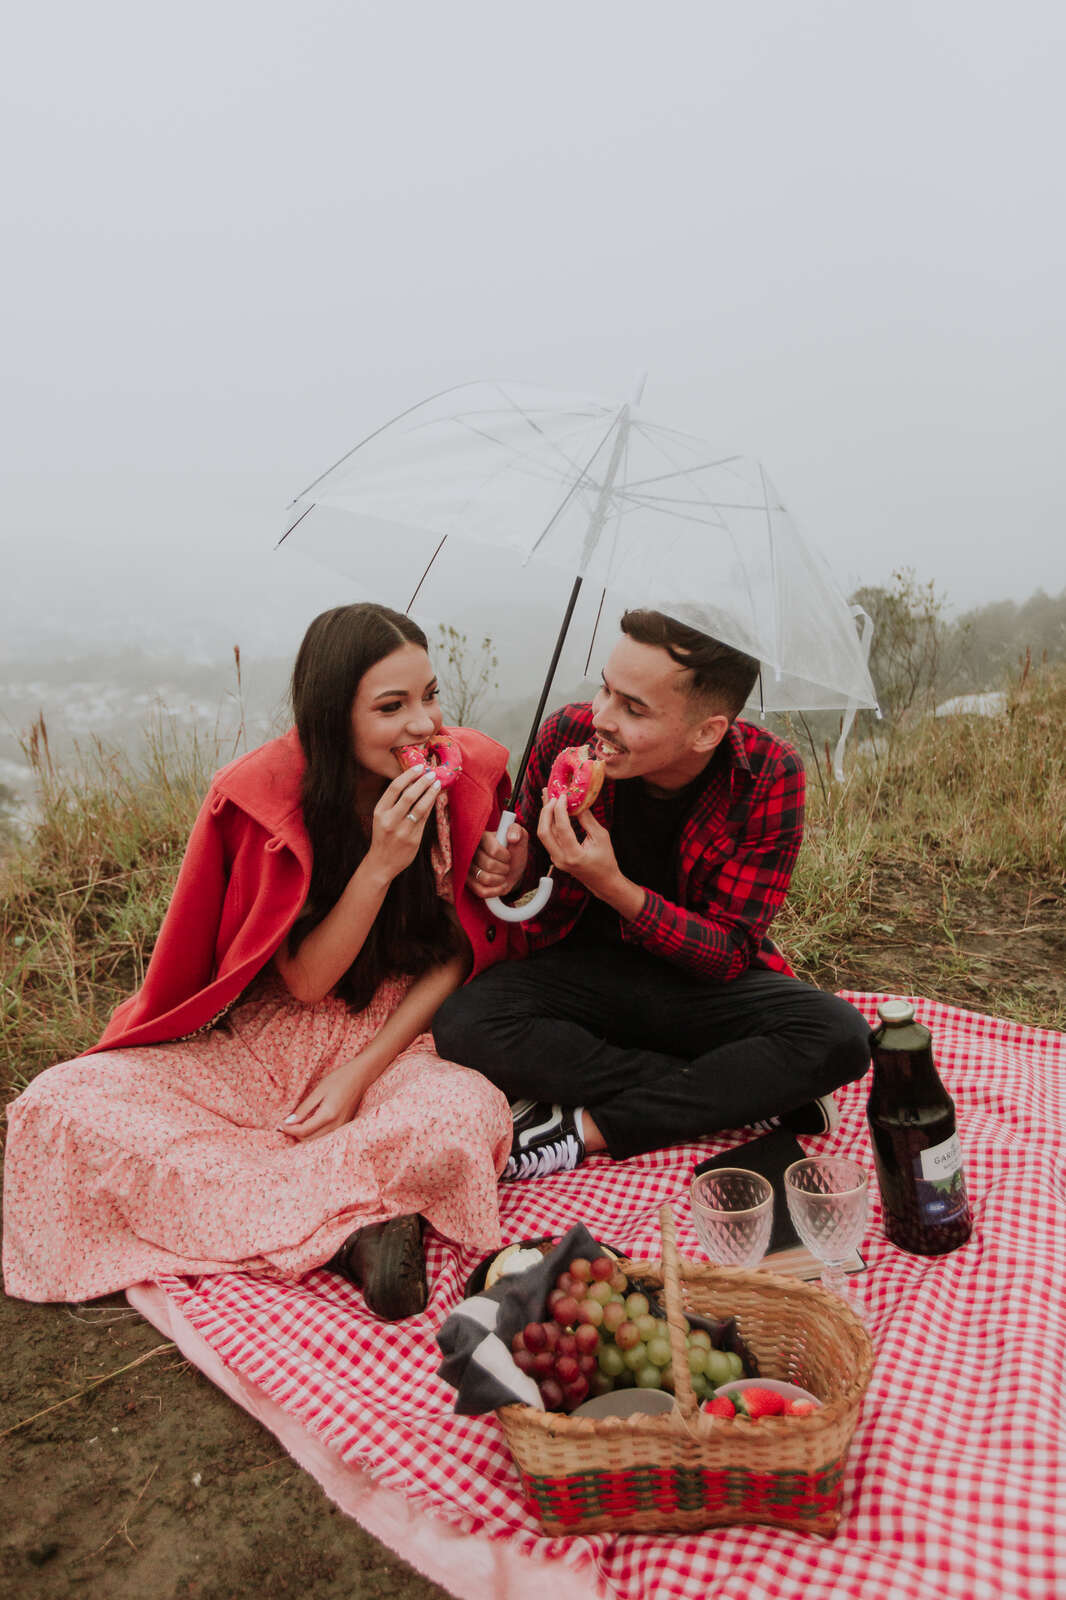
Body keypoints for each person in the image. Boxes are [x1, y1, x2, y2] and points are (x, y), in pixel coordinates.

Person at [3, 603, 514, 1319]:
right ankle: (351, 1233)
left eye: (430, 696)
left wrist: (358, 1075)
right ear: (332, 715)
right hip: (273, 1036)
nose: (425, 725)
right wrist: (377, 866)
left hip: (397, 1038)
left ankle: (319, 1216)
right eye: (392, 706)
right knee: (57, 1106)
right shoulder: (279, 804)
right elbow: (305, 983)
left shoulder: (458, 787)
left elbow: (454, 959)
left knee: (462, 1114)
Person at [434, 608, 872, 1179]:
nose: (601, 718)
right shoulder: (565, 735)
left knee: (841, 1037)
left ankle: (585, 1131)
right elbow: (534, 873)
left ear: (706, 731)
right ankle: (744, 1090)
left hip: (697, 988)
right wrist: (513, 868)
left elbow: (729, 953)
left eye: (633, 708)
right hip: (580, 976)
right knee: (464, 1023)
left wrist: (614, 887)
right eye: (606, 689)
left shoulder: (770, 775)